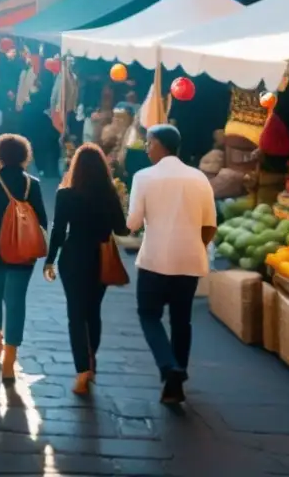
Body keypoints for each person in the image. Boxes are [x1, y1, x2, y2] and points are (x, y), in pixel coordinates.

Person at [127, 124, 216, 404]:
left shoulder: (143, 177)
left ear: (159, 144)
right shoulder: (199, 178)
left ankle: (168, 365)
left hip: (155, 259)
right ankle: (175, 386)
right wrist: (192, 246)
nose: (146, 148)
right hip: (189, 260)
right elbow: (210, 225)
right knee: (181, 321)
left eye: (148, 143)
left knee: (148, 315)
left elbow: (132, 223)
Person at [44, 143, 129, 395]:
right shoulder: (110, 194)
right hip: (100, 257)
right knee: (93, 312)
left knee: (75, 315)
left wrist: (49, 260)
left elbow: (59, 231)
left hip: (72, 257)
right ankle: (91, 362)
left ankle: (82, 369)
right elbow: (121, 229)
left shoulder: (66, 194)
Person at [0, 134, 49, 384]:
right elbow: (43, 221)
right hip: (22, 252)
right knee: (16, 302)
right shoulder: (32, 185)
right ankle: (10, 362)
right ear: (25, 156)